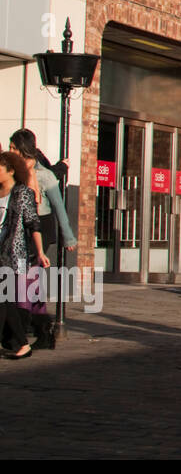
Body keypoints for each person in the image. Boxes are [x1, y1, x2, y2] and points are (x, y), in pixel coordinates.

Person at [10, 130, 74, 348]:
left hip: (41, 228)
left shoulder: (44, 175)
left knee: (24, 279)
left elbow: (59, 207)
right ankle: (43, 332)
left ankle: (19, 331)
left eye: (14, 148)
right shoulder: (13, 172)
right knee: (32, 282)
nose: (11, 152)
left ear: (24, 149)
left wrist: (69, 237)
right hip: (20, 230)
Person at [0, 152, 47, 359]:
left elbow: (33, 224)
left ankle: (21, 342)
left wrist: (40, 252)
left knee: (4, 298)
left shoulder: (22, 193)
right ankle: (21, 343)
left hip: (12, 253)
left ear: (11, 170)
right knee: (4, 300)